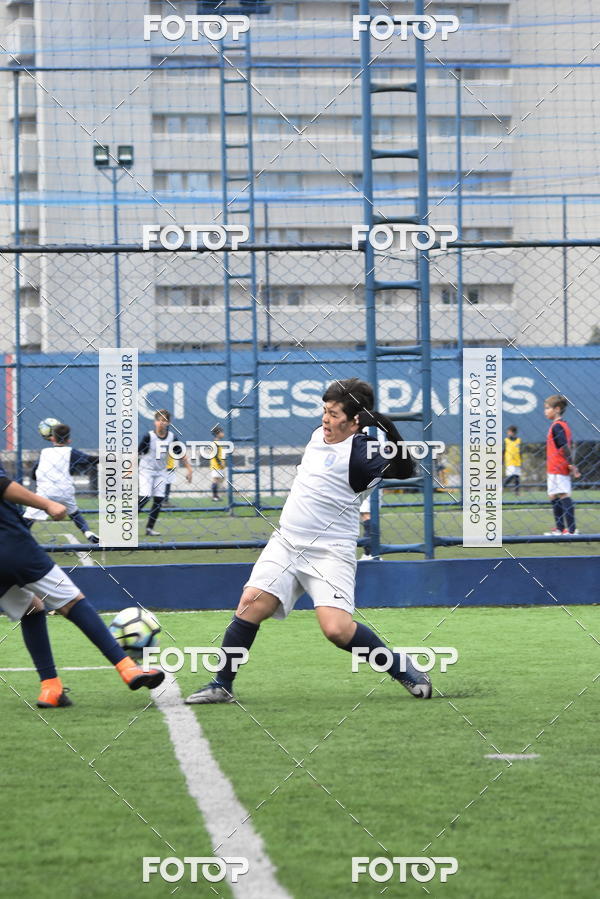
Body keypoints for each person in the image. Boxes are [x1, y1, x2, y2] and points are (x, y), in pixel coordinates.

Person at [185, 377, 432, 705]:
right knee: (251, 603)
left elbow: (406, 468)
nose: (325, 419)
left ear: (354, 419)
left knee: (336, 630)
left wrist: (385, 424)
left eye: (333, 414)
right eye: (324, 411)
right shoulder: (319, 435)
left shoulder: (362, 454)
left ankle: (402, 668)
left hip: (330, 551)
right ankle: (222, 685)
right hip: (287, 541)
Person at [0, 460, 165, 708]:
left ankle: (50, 688)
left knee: (31, 608)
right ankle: (128, 667)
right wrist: (47, 504)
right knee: (72, 602)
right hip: (11, 544)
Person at [23, 422, 100, 543]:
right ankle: (88, 532)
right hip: (64, 491)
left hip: (45, 492)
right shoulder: (71, 452)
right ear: (69, 440)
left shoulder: (44, 452)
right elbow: (90, 460)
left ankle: (17, 537)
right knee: (74, 514)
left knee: (29, 517)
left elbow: (33, 473)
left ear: (52, 438)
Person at [138, 409, 192, 536]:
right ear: (155, 422)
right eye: (159, 420)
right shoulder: (149, 436)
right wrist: (129, 469)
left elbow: (181, 453)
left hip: (161, 472)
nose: (161, 423)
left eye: (164, 420)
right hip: (146, 470)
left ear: (168, 423)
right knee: (145, 496)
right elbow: (137, 452)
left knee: (159, 499)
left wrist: (189, 469)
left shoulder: (172, 437)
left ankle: (149, 528)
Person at [543, 394, 580, 536]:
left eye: (547, 408)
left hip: (559, 466)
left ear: (557, 409)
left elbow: (564, 446)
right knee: (553, 495)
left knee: (564, 494)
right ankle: (559, 528)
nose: (545, 411)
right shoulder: (558, 425)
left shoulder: (558, 426)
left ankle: (571, 530)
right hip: (553, 467)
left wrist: (571, 465)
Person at [503, 425, 522, 495]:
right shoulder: (506, 440)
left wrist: (521, 460)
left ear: (513, 432)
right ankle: (502, 486)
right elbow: (503, 451)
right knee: (512, 475)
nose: (508, 433)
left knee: (517, 476)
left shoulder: (518, 440)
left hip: (517, 461)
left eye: (509, 432)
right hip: (509, 461)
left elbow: (520, 451)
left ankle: (517, 491)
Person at [210, 425, 226, 502]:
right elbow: (215, 455)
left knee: (219, 480)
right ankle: (214, 496)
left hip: (219, 466)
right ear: (217, 433)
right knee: (215, 480)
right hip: (216, 466)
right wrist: (220, 463)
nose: (223, 434)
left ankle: (216, 495)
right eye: (222, 432)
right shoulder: (215, 443)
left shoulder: (218, 443)